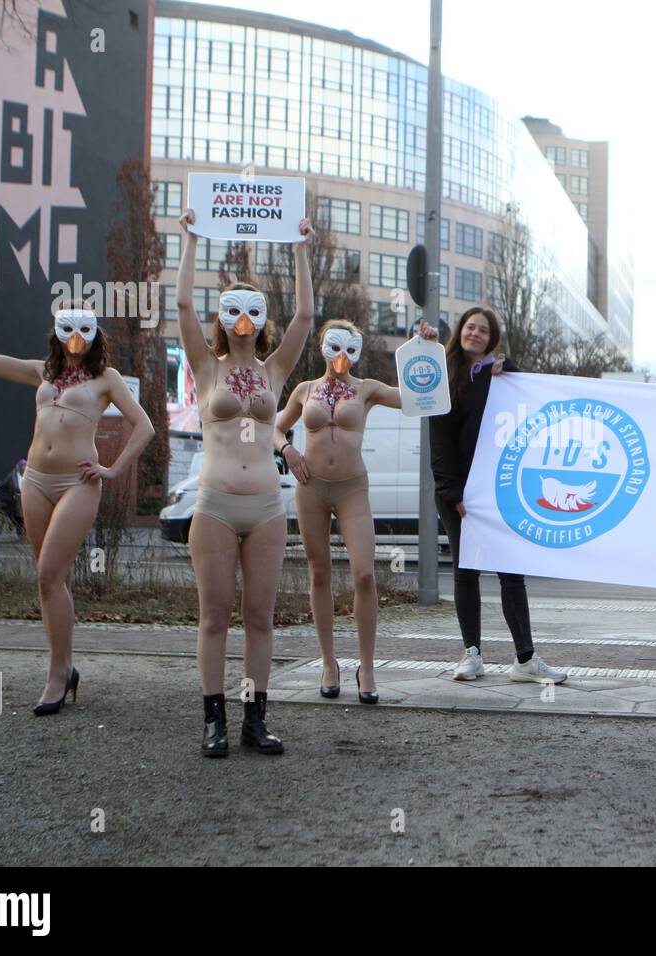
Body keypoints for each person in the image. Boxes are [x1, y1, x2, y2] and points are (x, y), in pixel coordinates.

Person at [0, 298, 154, 714]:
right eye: (67, 331)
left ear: (94, 335)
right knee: (50, 582)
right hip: (34, 480)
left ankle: (57, 675)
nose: (75, 340)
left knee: (48, 573)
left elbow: (144, 425)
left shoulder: (106, 378)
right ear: (57, 332)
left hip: (78, 482)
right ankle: (65, 667)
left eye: (84, 331)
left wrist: (112, 469)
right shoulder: (45, 371)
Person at [176, 209, 314, 757]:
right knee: (214, 616)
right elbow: (183, 304)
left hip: (266, 507)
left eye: (252, 310)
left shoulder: (274, 371)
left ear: (260, 320)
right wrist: (189, 240)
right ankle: (215, 720)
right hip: (213, 505)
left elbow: (305, 314)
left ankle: (256, 719)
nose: (243, 319)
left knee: (260, 616)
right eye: (233, 309)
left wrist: (302, 247)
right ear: (223, 317)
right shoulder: (205, 366)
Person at [423, 307, 567, 684]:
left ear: (492, 338)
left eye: (483, 330)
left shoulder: (499, 374)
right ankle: (472, 654)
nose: (475, 333)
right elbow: (438, 441)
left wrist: (508, 369)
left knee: (510, 571)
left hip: (498, 489)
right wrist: (451, 490)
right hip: (458, 491)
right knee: (465, 570)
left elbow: (527, 399)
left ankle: (525, 658)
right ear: (460, 331)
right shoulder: (444, 374)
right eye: (470, 327)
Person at [273, 319, 403, 705]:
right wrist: (288, 450)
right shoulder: (304, 390)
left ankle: (367, 666)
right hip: (311, 488)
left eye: (351, 349)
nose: (343, 357)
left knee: (364, 573)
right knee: (319, 572)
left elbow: (418, 396)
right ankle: (329, 663)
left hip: (351, 489)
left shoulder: (367, 390)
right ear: (322, 347)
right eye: (335, 347)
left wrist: (425, 349)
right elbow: (275, 429)